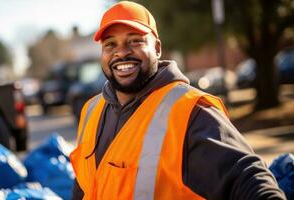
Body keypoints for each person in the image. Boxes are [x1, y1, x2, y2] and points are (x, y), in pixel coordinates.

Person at [70, 1, 286, 199]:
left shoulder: (188, 110)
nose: (121, 53)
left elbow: (247, 177)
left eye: (135, 41)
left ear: (157, 48)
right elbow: (83, 186)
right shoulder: (92, 110)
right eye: (110, 45)